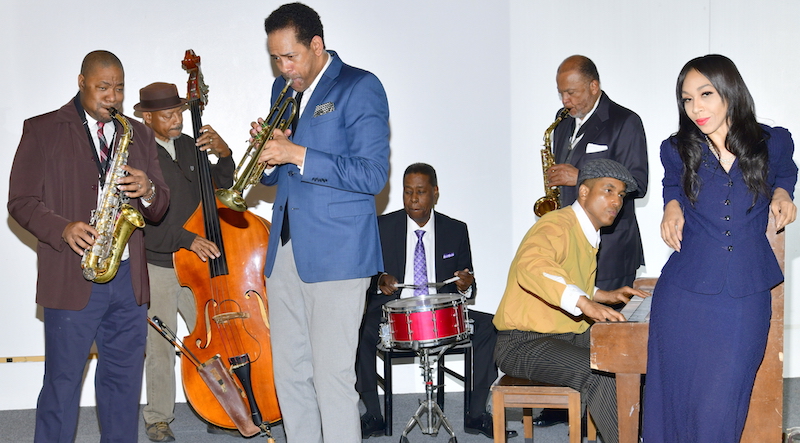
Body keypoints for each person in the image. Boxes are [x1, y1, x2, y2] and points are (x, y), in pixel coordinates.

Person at [7, 50, 169, 443]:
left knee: (123, 385)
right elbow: (21, 201)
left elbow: (160, 205)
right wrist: (62, 228)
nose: (112, 97)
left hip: (127, 281)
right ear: (81, 82)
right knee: (62, 385)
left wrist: (148, 190)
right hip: (72, 274)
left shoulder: (139, 132)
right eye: (102, 88)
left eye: (118, 89)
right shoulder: (42, 129)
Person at [642, 54, 797, 442]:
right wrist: (672, 205)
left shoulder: (772, 140)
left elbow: (786, 170)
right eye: (687, 99)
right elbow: (672, 184)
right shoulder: (676, 148)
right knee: (675, 399)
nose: (696, 108)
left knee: (725, 402)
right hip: (683, 294)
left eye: (705, 94)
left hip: (745, 295)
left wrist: (782, 193)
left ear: (729, 91)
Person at [254, 3, 390, 442]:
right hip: (287, 250)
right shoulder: (283, 90)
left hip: (338, 253)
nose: (283, 67)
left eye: (290, 56)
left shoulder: (360, 86)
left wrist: (297, 153)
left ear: (317, 45)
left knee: (332, 380)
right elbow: (280, 176)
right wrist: (268, 156)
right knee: (290, 375)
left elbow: (372, 174)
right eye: (276, 57)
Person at [493, 159, 649, 443]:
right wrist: (585, 304)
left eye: (621, 195)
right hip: (522, 342)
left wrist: (603, 295)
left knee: (627, 353)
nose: (616, 201)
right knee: (601, 372)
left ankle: (644, 432)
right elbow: (533, 265)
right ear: (584, 193)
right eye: (609, 190)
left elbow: (566, 277)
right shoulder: (555, 224)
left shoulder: (586, 231)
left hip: (564, 335)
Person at [356, 163, 517, 439]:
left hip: (440, 315)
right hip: (392, 313)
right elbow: (365, 276)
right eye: (408, 192)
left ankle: (476, 414)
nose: (413, 198)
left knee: (490, 326)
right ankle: (373, 414)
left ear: (435, 193)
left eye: (420, 191)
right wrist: (380, 280)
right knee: (358, 329)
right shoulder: (383, 226)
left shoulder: (455, 230)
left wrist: (466, 285)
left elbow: (468, 284)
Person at [536, 54, 649, 429]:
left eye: (571, 92)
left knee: (609, 329)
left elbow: (638, 181)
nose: (565, 100)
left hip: (613, 245)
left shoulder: (625, 122)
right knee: (567, 318)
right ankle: (566, 401)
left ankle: (619, 409)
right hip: (570, 240)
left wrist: (580, 173)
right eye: (561, 92)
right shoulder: (562, 128)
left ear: (594, 87)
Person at [135, 82, 235, 442]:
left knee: (211, 340)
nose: (178, 119)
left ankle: (217, 408)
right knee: (160, 345)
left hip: (196, 265)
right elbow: (145, 224)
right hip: (160, 264)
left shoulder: (189, 146)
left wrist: (225, 155)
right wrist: (188, 239)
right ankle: (158, 418)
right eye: (168, 114)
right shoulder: (136, 155)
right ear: (147, 118)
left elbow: (219, 188)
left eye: (179, 111)